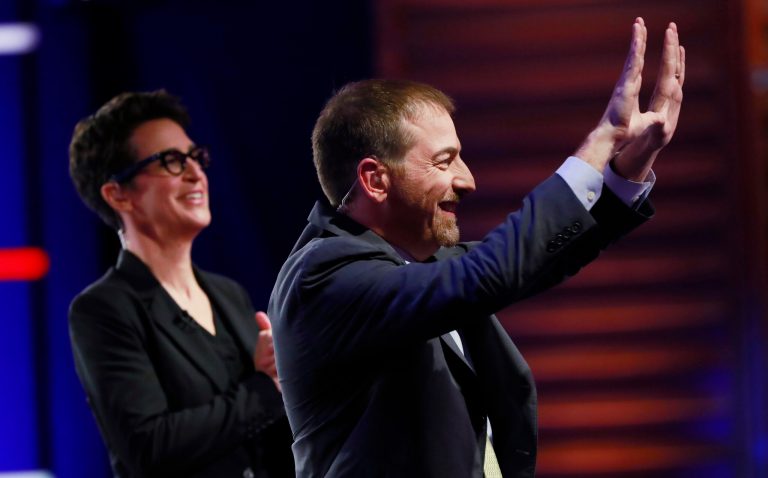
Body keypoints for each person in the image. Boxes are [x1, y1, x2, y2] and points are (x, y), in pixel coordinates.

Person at [269, 17, 684, 478]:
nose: (467, 180)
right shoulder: (323, 274)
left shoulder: (419, 264)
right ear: (374, 179)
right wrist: (599, 142)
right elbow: (492, 271)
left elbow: (539, 256)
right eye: (444, 161)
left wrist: (627, 169)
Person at [68, 91, 294, 478]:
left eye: (195, 157)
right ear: (118, 194)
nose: (195, 173)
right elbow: (149, 446)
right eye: (171, 161)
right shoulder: (105, 309)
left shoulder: (228, 294)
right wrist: (264, 388)